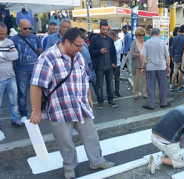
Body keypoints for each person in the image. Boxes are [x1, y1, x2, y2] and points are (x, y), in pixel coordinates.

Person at [29, 28, 115, 179]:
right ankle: (69, 167)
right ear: (67, 41)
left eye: (82, 46)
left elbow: (85, 77)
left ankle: (97, 161)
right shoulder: (48, 58)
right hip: (59, 108)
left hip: (80, 105)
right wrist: (36, 110)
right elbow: (36, 85)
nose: (81, 49)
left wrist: (88, 96)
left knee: (91, 135)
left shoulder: (78, 56)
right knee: (65, 141)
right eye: (78, 45)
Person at [11, 19, 43, 124]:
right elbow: (12, 57)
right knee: (22, 94)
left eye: (30, 28)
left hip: (35, 70)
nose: (28, 30)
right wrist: (15, 69)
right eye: (25, 28)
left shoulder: (35, 38)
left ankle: (40, 111)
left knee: (38, 92)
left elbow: (40, 52)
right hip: (21, 71)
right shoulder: (14, 39)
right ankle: (24, 114)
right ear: (19, 27)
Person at [0, 22, 24, 140]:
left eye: (4, 33)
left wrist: (1, 55)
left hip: (10, 77)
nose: (3, 36)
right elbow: (11, 55)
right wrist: (7, 55)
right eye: (1, 33)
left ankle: (14, 120)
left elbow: (15, 55)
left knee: (13, 101)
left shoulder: (9, 42)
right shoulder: (8, 44)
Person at [89, 21, 118, 109]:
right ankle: (100, 101)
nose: (105, 31)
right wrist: (99, 51)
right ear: (100, 28)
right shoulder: (94, 39)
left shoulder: (110, 40)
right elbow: (91, 52)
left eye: (106, 29)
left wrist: (114, 62)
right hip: (100, 66)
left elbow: (114, 52)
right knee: (99, 85)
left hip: (109, 66)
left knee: (110, 84)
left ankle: (110, 100)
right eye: (103, 29)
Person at [141, 28, 171, 110]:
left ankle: (150, 104)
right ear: (159, 34)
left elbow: (143, 56)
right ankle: (163, 103)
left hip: (150, 67)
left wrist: (143, 67)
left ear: (151, 34)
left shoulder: (146, 43)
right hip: (161, 67)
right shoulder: (162, 43)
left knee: (150, 86)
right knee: (163, 86)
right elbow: (167, 57)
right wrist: (168, 67)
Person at [79, 28, 98, 100]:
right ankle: (86, 97)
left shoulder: (84, 41)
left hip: (89, 63)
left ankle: (98, 95)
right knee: (86, 81)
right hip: (83, 64)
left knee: (94, 79)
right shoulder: (79, 42)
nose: (86, 35)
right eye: (84, 33)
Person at [130, 27, 147, 99]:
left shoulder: (146, 42)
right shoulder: (133, 43)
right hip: (136, 64)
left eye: (143, 35)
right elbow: (131, 54)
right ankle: (135, 93)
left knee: (145, 80)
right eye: (140, 35)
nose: (142, 37)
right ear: (136, 35)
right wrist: (139, 54)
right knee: (136, 80)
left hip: (145, 64)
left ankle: (145, 93)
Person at [170, 25, 184, 92]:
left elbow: (173, 48)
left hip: (175, 57)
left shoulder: (175, 38)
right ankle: (179, 86)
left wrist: (172, 56)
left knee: (175, 71)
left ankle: (172, 85)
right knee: (181, 72)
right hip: (182, 57)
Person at [108, 30, 122, 98]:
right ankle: (111, 92)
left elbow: (115, 51)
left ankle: (117, 91)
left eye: (109, 36)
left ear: (113, 37)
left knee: (116, 79)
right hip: (109, 64)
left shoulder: (118, 43)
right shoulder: (109, 43)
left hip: (117, 64)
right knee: (109, 79)